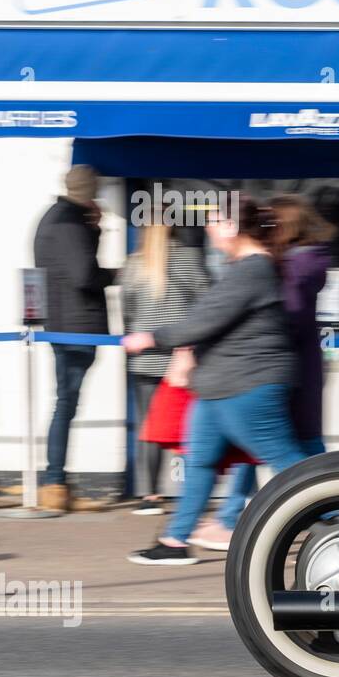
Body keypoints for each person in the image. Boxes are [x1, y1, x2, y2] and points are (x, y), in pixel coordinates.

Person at [121, 198, 307, 565]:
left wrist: (152, 338)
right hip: (221, 386)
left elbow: (206, 318)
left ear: (233, 228)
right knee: (200, 461)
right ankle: (175, 540)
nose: (209, 227)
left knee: (289, 465)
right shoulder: (245, 267)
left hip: (248, 386)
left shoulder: (253, 269)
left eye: (215, 220)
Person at [190, 195, 334, 549]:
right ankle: (337, 510)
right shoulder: (296, 264)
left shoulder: (294, 268)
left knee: (293, 453)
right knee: (279, 447)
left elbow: (286, 317)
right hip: (286, 367)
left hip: (280, 369)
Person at [32, 165, 116, 513]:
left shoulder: (54, 217)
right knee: (65, 404)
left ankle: (55, 482)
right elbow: (84, 275)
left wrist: (93, 229)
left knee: (64, 403)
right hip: (76, 328)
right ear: (90, 190)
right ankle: (54, 483)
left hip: (63, 324)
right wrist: (119, 273)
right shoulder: (69, 222)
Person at [120, 220, 209, 514]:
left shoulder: (133, 264)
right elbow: (207, 301)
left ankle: (149, 495)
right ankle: (193, 490)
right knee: (190, 427)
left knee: (149, 427)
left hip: (144, 357)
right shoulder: (188, 258)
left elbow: (127, 309)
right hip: (179, 359)